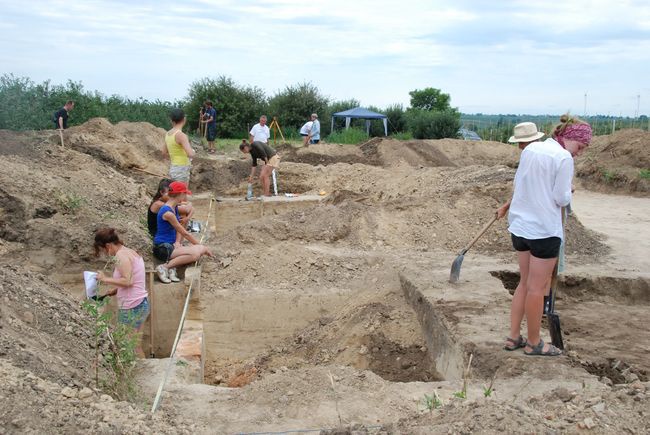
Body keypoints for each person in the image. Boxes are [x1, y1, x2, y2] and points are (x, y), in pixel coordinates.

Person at [497, 115, 591, 356]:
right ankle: (534, 342)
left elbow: (521, 184)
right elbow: (561, 199)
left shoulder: (531, 150)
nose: (579, 153)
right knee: (537, 288)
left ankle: (513, 337)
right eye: (580, 147)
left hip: (520, 229)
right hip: (543, 232)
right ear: (570, 138)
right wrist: (569, 190)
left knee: (524, 283)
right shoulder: (563, 158)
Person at [93, 227, 149, 357]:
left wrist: (104, 278)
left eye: (104, 250)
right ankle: (143, 373)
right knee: (135, 346)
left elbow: (128, 281)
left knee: (129, 346)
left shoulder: (121, 256)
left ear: (108, 246)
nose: (107, 254)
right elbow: (133, 279)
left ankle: (137, 375)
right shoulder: (129, 252)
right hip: (140, 303)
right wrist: (117, 290)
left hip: (132, 307)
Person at [153, 181, 213, 283]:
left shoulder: (174, 207)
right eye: (185, 194)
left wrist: (177, 242)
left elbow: (181, 225)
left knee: (196, 252)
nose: (186, 196)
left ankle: (172, 268)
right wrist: (203, 247)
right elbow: (184, 233)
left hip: (170, 245)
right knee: (196, 253)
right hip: (163, 248)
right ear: (180, 194)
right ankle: (164, 267)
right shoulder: (168, 212)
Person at [162, 108, 195, 184]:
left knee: (175, 192)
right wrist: (193, 152)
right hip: (182, 169)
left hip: (173, 168)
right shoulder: (181, 135)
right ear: (184, 119)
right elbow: (190, 154)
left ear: (171, 120)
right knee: (182, 194)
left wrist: (175, 156)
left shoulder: (167, 134)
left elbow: (163, 153)